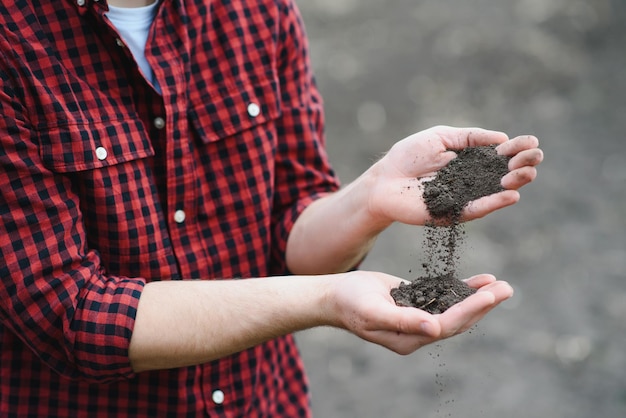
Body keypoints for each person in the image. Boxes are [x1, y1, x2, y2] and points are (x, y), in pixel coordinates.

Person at [0, 0, 543, 416]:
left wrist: (371, 197)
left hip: (261, 400)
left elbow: (291, 223)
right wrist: (327, 299)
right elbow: (69, 314)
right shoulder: (13, 41)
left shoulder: (256, 10)